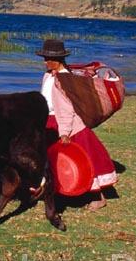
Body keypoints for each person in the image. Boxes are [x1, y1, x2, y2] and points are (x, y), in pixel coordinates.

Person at [37, 39, 118, 210]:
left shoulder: (64, 80)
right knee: (53, 160)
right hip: (51, 121)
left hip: (68, 126)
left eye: (47, 58)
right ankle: (57, 192)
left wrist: (64, 132)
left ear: (56, 60)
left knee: (84, 162)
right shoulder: (48, 75)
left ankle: (98, 197)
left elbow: (66, 109)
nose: (44, 62)